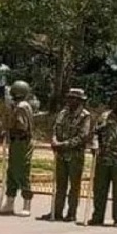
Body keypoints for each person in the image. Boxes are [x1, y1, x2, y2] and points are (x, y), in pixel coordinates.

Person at [39, 88, 91, 222]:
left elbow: (82, 136)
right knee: (60, 185)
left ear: (80, 101)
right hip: (61, 154)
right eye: (69, 98)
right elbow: (55, 129)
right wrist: (54, 141)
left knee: (74, 186)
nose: (70, 101)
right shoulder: (63, 113)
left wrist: (64, 144)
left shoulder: (85, 116)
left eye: (74, 98)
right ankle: (56, 211)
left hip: (75, 155)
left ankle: (71, 213)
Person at [87, 91, 117, 227]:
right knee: (99, 190)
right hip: (103, 158)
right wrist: (95, 144)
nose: (115, 103)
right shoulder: (104, 116)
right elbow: (96, 133)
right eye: (114, 101)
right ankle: (97, 217)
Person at [0, 80, 35, 216]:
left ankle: (26, 203)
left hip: (22, 143)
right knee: (11, 172)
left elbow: (22, 128)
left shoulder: (22, 107)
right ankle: (10, 202)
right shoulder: (16, 105)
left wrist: (9, 131)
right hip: (15, 142)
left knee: (21, 171)